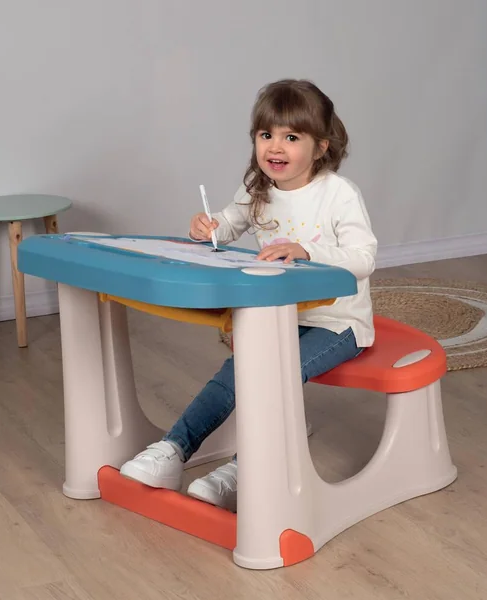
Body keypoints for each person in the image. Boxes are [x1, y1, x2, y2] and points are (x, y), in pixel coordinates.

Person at [120, 78, 377, 512]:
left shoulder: (338, 194)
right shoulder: (257, 188)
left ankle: (246, 468)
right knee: (233, 373)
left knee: (275, 372)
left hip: (339, 323)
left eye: (291, 137)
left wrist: (307, 251)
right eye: (266, 134)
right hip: (279, 316)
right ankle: (173, 450)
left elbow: (364, 258)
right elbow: (227, 225)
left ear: (320, 147)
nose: (275, 147)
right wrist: (207, 228)